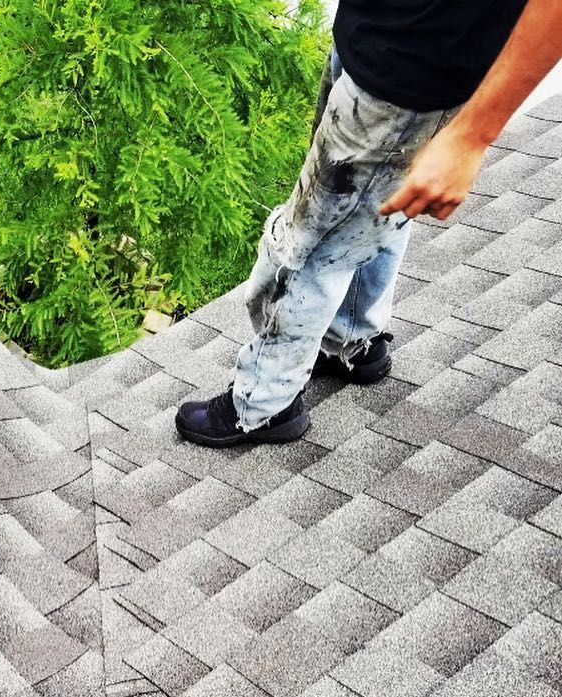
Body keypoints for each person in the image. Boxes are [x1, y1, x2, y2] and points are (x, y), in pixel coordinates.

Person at [175, 0, 562, 448]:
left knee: (310, 241)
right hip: (373, 40)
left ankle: (262, 404)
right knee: (370, 214)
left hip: (414, 74)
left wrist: (472, 137)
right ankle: (351, 340)